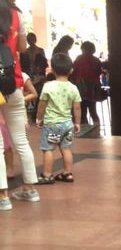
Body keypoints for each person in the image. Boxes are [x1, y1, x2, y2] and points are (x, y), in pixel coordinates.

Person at [0, 0, 39, 211]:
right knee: (21, 140)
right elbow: (23, 48)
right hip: (12, 83)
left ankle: (3, 196)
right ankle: (30, 189)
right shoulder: (15, 15)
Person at [35, 52, 81, 184]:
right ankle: (67, 173)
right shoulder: (73, 88)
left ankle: (47, 175)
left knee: (48, 149)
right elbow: (77, 108)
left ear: (52, 70)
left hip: (53, 125)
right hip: (68, 125)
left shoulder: (48, 86)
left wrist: (39, 118)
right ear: (71, 70)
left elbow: (42, 105)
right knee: (66, 148)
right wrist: (77, 123)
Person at [70, 41, 104, 126]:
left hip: (81, 88)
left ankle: (85, 128)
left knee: (83, 110)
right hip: (93, 89)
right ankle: (97, 128)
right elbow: (99, 72)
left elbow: (74, 71)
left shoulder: (79, 59)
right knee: (93, 110)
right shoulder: (96, 60)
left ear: (83, 49)